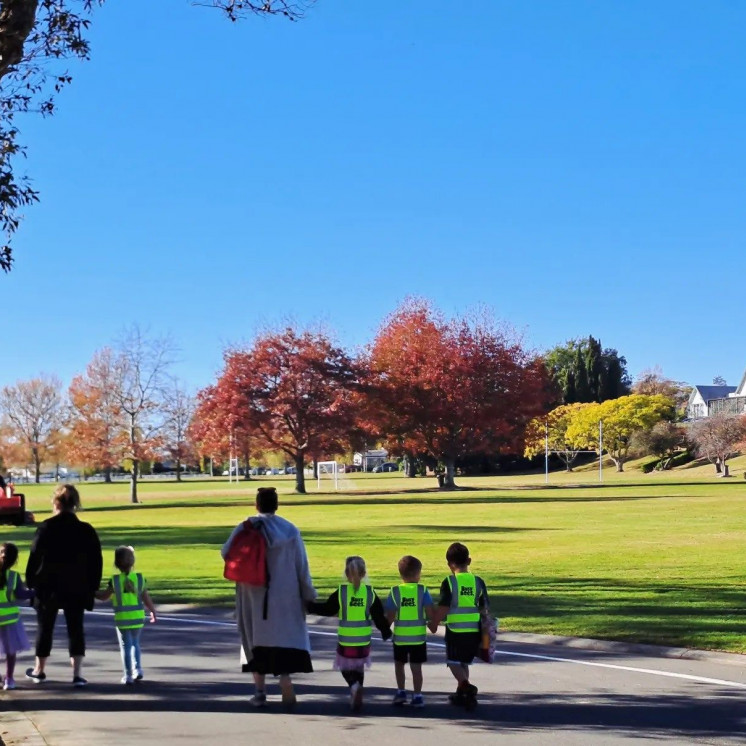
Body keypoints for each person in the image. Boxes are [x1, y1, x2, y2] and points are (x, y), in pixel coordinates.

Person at [221, 486, 316, 709]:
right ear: (276, 504)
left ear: (257, 504)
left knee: (254, 642)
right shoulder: (290, 530)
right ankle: (284, 677)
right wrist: (308, 594)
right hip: (285, 594)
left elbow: (226, 552)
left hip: (252, 594)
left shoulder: (246, 527)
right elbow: (301, 566)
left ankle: (260, 691)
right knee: (282, 639)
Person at [25, 484, 103, 687]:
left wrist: (31, 582)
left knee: (45, 628)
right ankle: (77, 673)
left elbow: (34, 558)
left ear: (56, 502)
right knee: (76, 628)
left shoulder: (46, 527)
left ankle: (39, 670)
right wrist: (92, 586)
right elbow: (96, 561)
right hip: (77, 585)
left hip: (48, 585)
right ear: (76, 503)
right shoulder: (86, 530)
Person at [307, 555, 392, 712]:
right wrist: (386, 632)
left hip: (346, 639)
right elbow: (379, 617)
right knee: (359, 666)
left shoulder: (342, 592)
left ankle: (353, 686)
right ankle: (358, 687)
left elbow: (327, 609)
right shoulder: (369, 593)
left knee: (344, 667)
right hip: (363, 640)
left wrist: (308, 606)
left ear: (346, 574)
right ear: (364, 573)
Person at [428, 542, 490, 710]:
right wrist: (487, 629)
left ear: (449, 564)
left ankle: (465, 686)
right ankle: (462, 693)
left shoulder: (450, 582)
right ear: (469, 561)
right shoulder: (478, 581)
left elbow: (444, 606)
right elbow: (484, 608)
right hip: (474, 629)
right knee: (464, 662)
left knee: (453, 661)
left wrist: (434, 623)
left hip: (456, 629)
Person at [95, 545, 157, 685]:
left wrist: (92, 592)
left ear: (117, 564)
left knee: (125, 646)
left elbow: (104, 596)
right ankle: (138, 669)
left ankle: (127, 674)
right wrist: (152, 610)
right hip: (137, 617)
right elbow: (145, 597)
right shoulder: (140, 578)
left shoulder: (115, 581)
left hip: (122, 618)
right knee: (136, 644)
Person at [385, 555, 434, 708]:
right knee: (416, 667)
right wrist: (432, 623)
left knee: (399, 665)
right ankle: (418, 695)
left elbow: (391, 616)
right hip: (418, 638)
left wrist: (384, 628)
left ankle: (401, 692)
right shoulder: (422, 591)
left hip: (400, 638)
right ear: (418, 573)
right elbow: (430, 613)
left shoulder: (395, 592)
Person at [0, 542, 33, 690]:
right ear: (15, 560)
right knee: (10, 651)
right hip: (10, 619)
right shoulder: (13, 576)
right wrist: (35, 592)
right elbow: (21, 595)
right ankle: (9, 679)